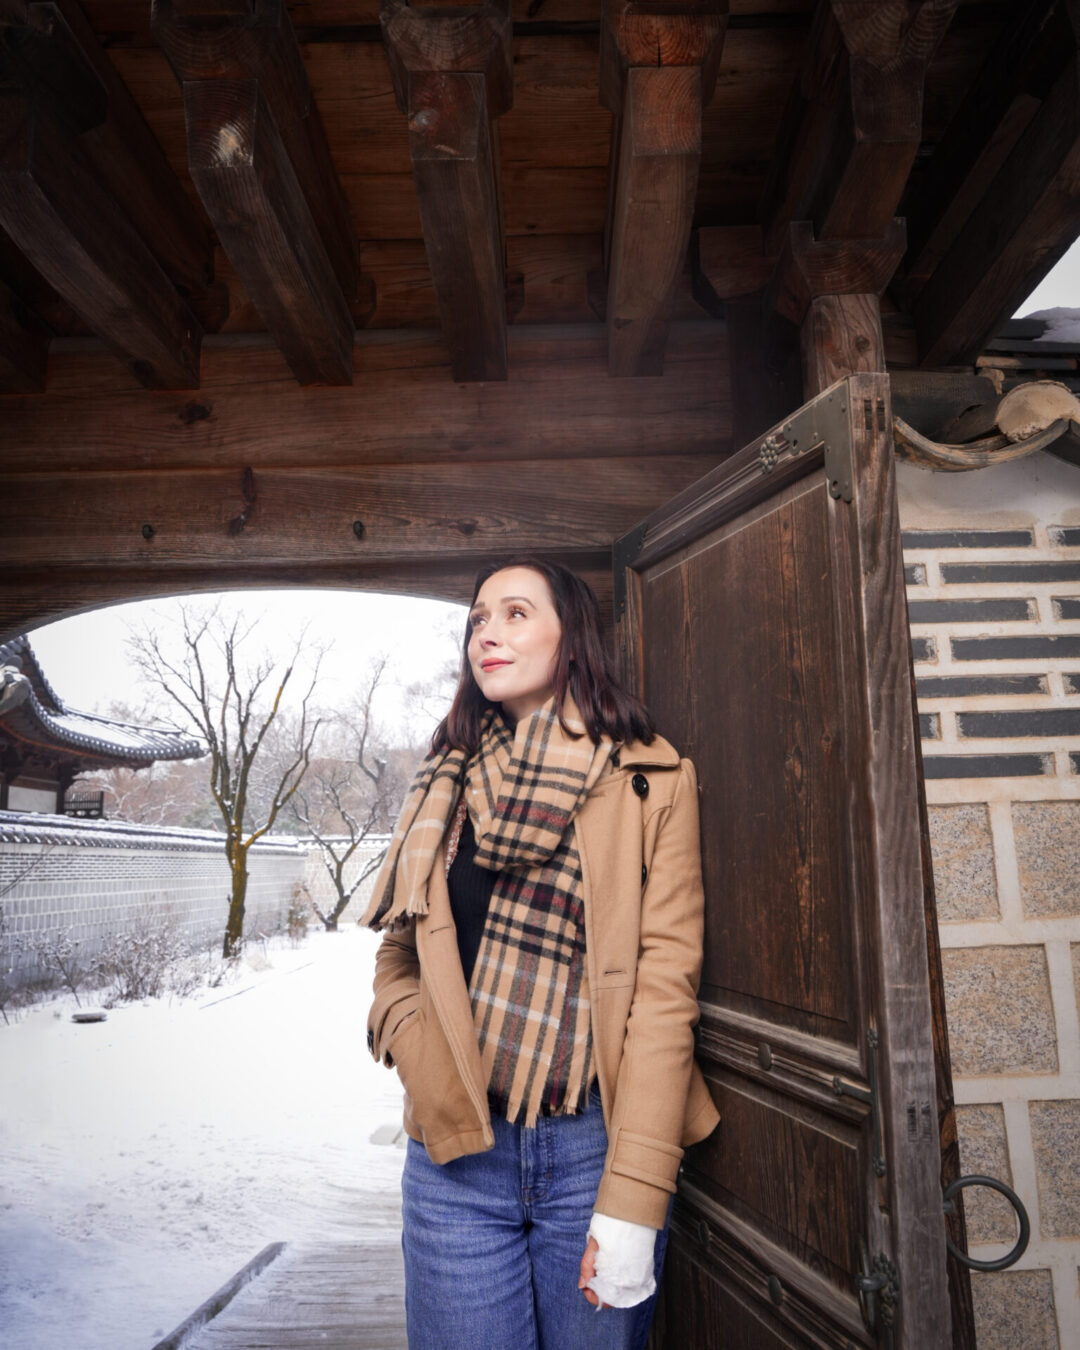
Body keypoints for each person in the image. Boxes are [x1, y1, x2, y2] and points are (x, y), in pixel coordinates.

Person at [361, 557, 718, 1350]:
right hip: (457, 1152)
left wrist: (635, 1197)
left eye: (515, 614)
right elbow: (399, 952)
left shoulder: (651, 780)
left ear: (572, 638)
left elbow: (665, 995)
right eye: (478, 620)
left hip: (596, 1144)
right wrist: (416, 1047)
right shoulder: (442, 781)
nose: (487, 633)